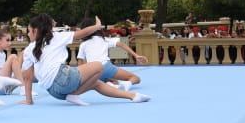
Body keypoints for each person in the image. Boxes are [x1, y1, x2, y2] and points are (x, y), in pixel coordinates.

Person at [20, 14, 150, 106]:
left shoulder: (27, 50)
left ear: (35, 31)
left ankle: (132, 96)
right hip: (64, 80)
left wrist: (28, 100)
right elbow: (82, 33)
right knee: (99, 66)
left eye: (28, 31)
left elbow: (27, 77)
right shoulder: (56, 37)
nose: (27, 34)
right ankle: (75, 95)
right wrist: (97, 26)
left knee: (96, 83)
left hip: (54, 92)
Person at [75, 19, 148, 92]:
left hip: (93, 72)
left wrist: (83, 77)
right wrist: (135, 55)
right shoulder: (104, 40)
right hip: (106, 67)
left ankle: (111, 83)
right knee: (136, 78)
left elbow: (80, 63)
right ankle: (126, 84)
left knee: (107, 79)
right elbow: (121, 44)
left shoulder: (83, 44)